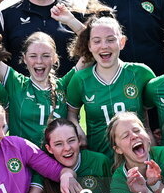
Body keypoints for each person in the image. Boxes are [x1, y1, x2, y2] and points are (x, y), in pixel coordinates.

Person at [66, 12, 155, 155]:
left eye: (110, 40)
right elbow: (71, 113)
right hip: (100, 160)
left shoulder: (140, 73)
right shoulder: (80, 79)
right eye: (96, 41)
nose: (104, 46)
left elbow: (153, 111)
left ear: (122, 42)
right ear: (89, 46)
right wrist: (77, 128)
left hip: (137, 157)